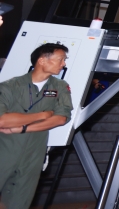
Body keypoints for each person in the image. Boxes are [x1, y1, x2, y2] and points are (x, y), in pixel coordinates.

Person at [0, 43, 73, 209]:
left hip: (33, 154)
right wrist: (42, 115)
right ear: (42, 61)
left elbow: (61, 118)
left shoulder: (60, 87)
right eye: (61, 59)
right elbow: (2, 120)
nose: (63, 64)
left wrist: (23, 128)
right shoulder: (10, 86)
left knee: (19, 202)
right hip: (4, 149)